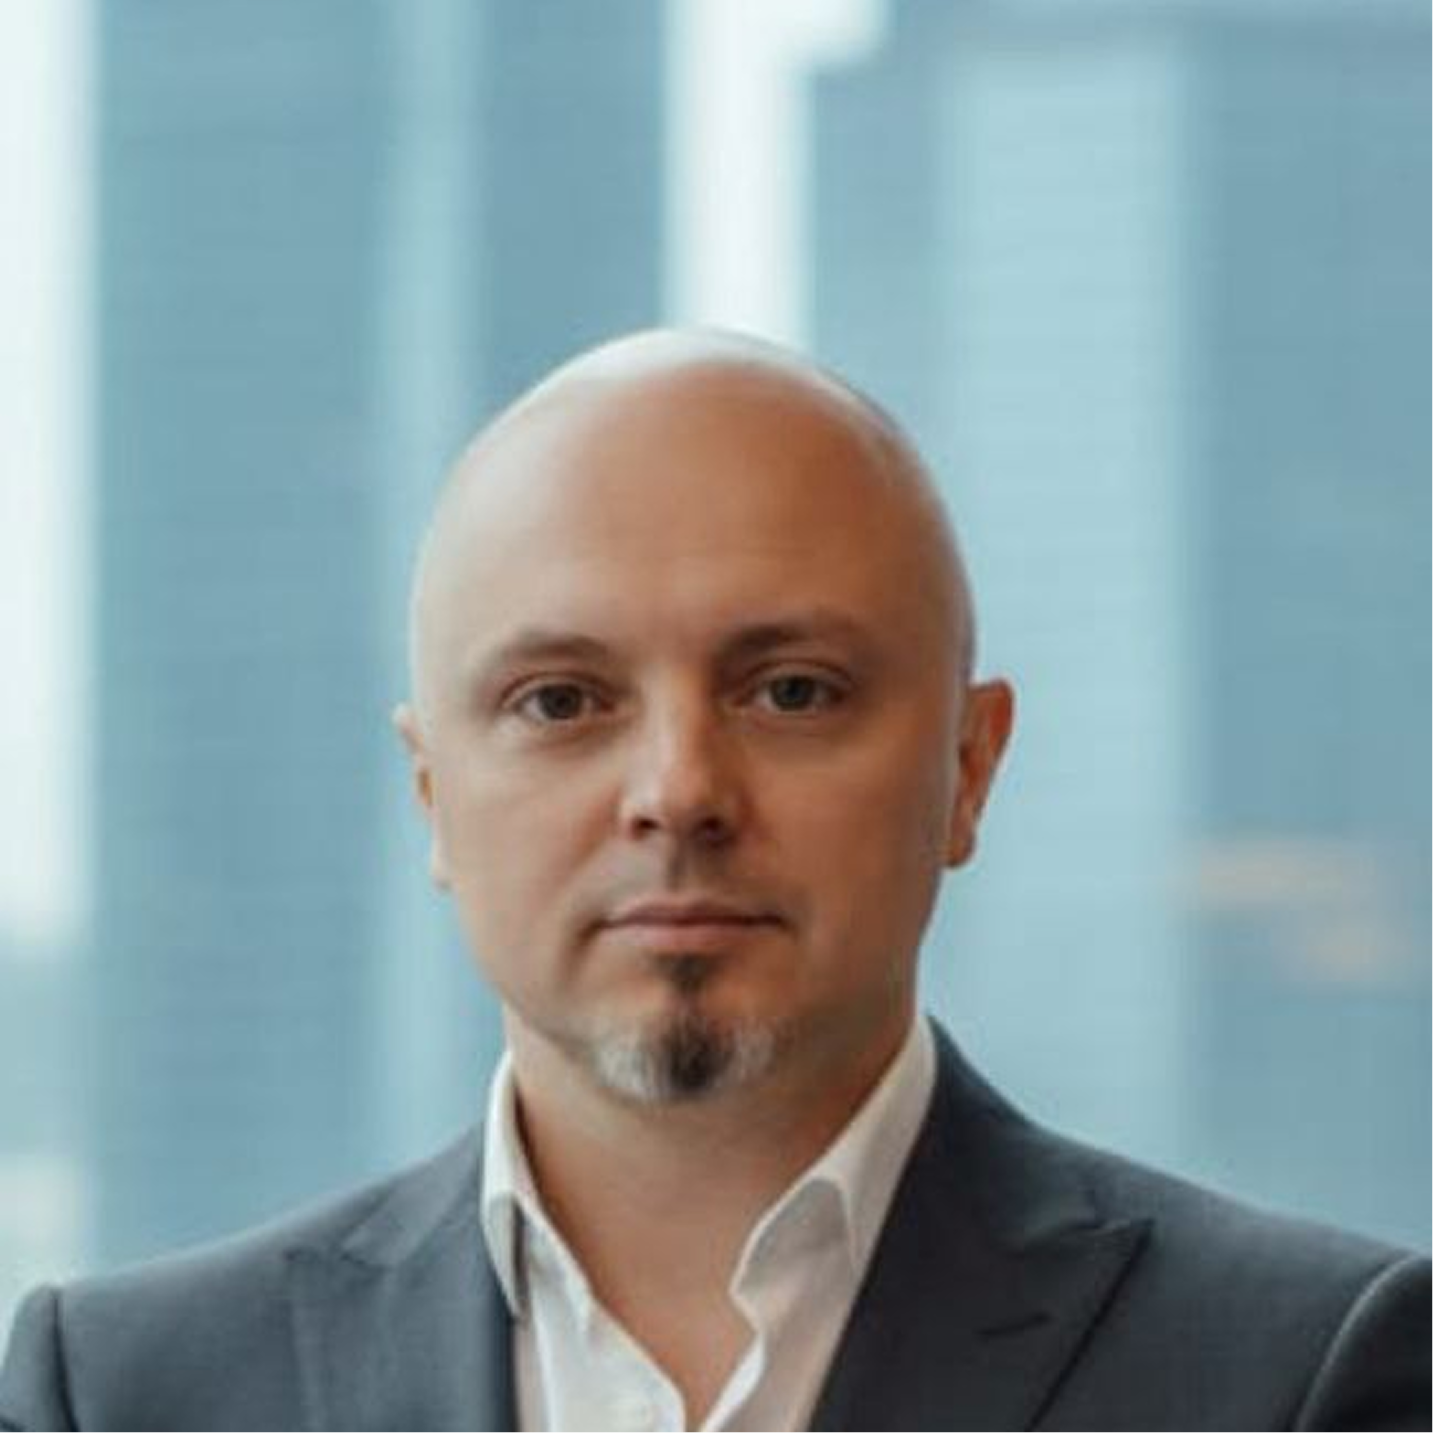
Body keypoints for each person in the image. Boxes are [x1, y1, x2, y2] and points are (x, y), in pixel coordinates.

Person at [2, 330, 1429, 1433]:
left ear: (968, 767)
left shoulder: (1306, 1373)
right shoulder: (120, 1392)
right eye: (562, 702)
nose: (679, 790)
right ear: (433, 794)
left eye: (792, 691)